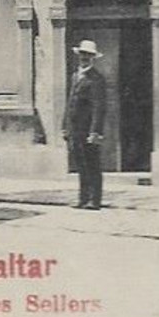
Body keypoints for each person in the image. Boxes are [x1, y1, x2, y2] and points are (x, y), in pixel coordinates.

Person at [64, 39, 108, 211]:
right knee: (80, 165)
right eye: (82, 55)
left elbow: (99, 107)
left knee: (93, 165)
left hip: (88, 130)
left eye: (88, 55)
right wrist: (65, 126)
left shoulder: (96, 79)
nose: (84, 58)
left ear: (93, 58)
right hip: (75, 129)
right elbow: (69, 103)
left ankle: (94, 200)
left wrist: (95, 132)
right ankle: (83, 199)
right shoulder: (75, 76)